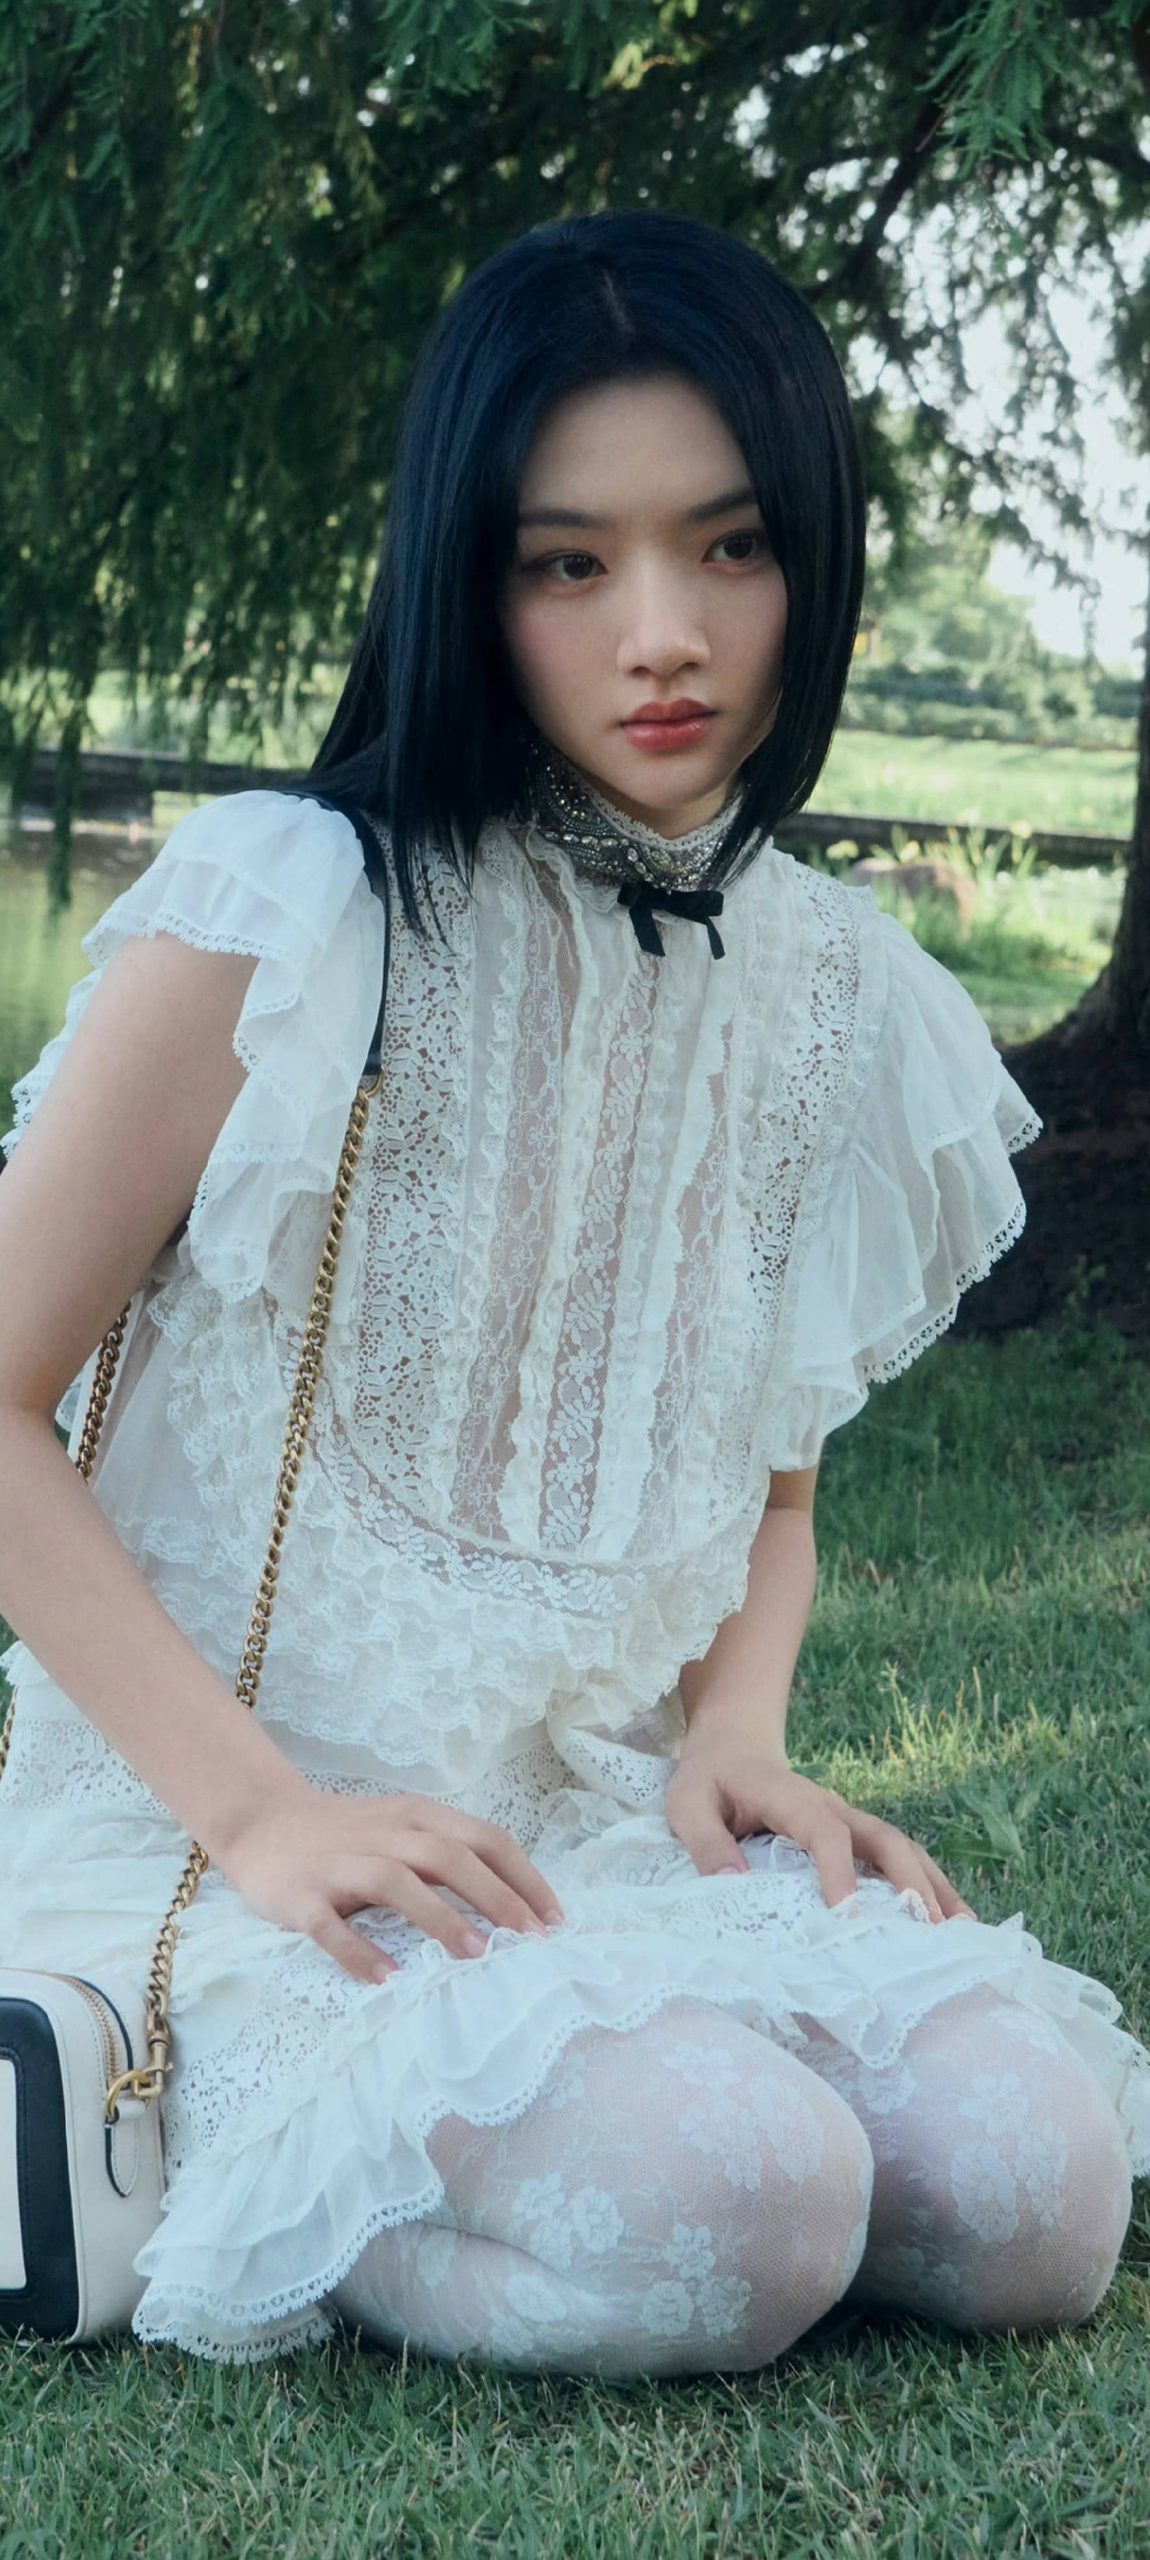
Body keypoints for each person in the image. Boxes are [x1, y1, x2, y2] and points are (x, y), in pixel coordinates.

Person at [0, 209, 1146, 2380]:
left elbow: (771, 1482)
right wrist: (259, 1813)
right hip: (226, 1841)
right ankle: (268, 2151)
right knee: (738, 2208)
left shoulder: (839, 988)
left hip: (585, 1841)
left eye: (729, 546)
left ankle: (609, 2100)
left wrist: (734, 1738)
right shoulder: (288, 904)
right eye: (566, 563)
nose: (662, 634)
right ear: (467, 577)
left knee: (1037, 2190)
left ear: (811, 555)